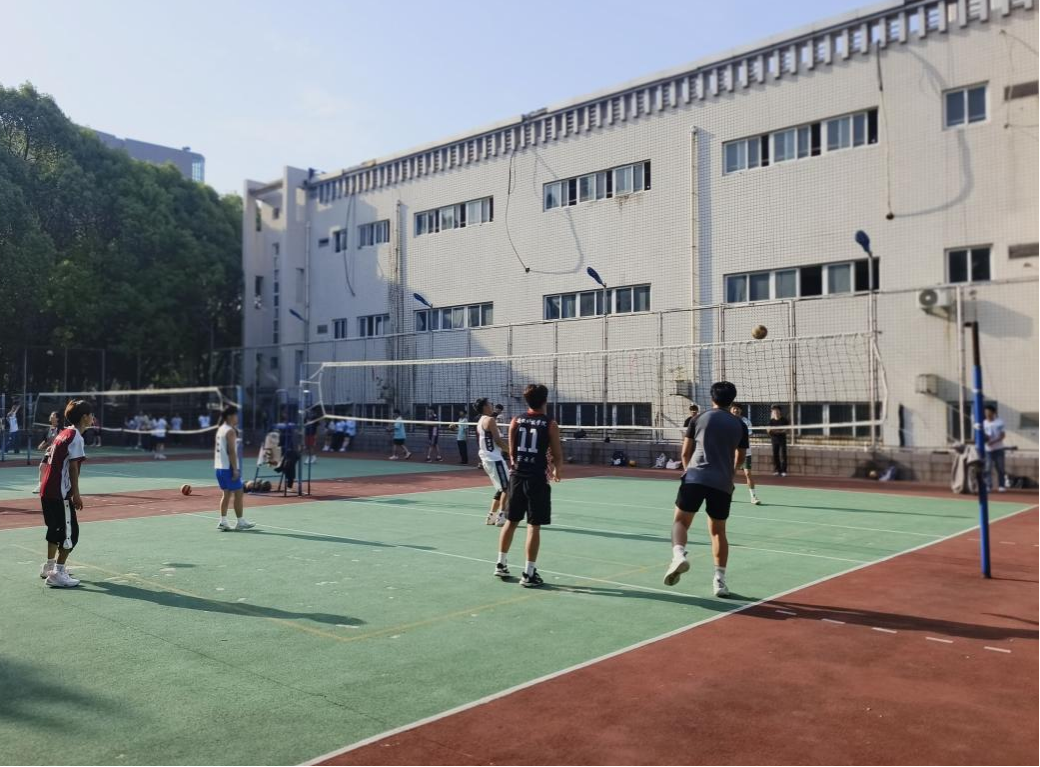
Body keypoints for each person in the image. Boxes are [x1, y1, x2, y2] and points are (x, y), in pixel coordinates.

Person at [664, 381, 748, 597]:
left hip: (695, 477)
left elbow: (685, 452)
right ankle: (719, 581)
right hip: (722, 483)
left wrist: (688, 471)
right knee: (718, 532)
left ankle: (679, 555)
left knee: (680, 522)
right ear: (732, 400)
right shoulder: (740, 424)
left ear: (712, 398)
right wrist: (731, 472)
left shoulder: (698, 418)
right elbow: (740, 456)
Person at [495, 384, 563, 588]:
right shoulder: (550, 424)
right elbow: (558, 455)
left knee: (511, 521)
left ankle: (500, 563)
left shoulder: (516, 420)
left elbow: (512, 452)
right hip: (536, 478)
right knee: (534, 525)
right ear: (545, 401)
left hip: (517, 476)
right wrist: (557, 470)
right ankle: (529, 573)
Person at [38, 399, 93, 587]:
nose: (92, 418)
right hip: (59, 492)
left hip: (47, 489)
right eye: (91, 415)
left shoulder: (63, 433)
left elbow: (47, 459)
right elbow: (73, 467)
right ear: (84, 417)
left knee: (54, 529)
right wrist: (75, 494)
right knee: (71, 534)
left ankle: (49, 566)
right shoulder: (76, 437)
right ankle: (58, 573)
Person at [214, 405, 255, 531]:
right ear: (230, 416)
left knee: (226, 494)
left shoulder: (221, 429)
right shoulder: (230, 431)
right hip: (228, 468)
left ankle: (223, 521)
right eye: (236, 415)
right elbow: (231, 451)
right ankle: (240, 521)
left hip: (219, 467)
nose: (237, 417)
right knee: (239, 493)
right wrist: (235, 469)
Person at [475, 398, 510, 526]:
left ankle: (491, 516)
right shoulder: (490, 420)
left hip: (487, 459)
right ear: (485, 407)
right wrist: (511, 451)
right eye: (489, 404)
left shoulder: (480, 421)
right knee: (507, 488)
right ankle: (501, 516)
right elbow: (498, 441)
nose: (492, 406)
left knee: (501, 488)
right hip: (494, 459)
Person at [729, 403, 760, 505]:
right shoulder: (726, 420)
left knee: (748, 474)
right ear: (730, 410)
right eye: (734, 408)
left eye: (738, 409)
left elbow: (748, 435)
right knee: (730, 475)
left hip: (745, 452)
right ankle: (728, 493)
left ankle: (753, 497)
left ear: (741, 411)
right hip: (731, 453)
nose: (736, 410)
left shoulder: (746, 421)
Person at [33, 411, 61, 495]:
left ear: (57, 418)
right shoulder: (49, 429)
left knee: (56, 471)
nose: (51, 416)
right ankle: (40, 486)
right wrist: (42, 445)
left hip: (58, 453)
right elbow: (46, 440)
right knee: (42, 466)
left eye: (53, 415)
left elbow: (61, 441)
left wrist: (52, 447)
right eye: (51, 415)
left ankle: (61, 486)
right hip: (49, 453)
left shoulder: (60, 429)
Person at [983, 404, 1008, 493]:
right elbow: (982, 435)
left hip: (998, 449)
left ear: (994, 413)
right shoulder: (983, 423)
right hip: (987, 450)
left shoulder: (999, 422)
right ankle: (988, 486)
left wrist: (993, 442)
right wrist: (985, 439)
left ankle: (1001, 486)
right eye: (985, 412)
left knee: (1000, 468)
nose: (987, 414)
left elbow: (1002, 436)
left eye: (988, 412)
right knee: (987, 468)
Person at [767, 405, 790, 477]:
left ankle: (784, 471)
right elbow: (768, 430)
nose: (776, 412)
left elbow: (787, 429)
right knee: (775, 455)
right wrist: (771, 431)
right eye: (774, 410)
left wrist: (780, 431)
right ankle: (777, 470)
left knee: (783, 455)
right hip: (774, 439)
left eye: (777, 410)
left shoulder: (784, 420)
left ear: (780, 411)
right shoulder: (771, 421)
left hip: (782, 439)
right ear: (772, 412)